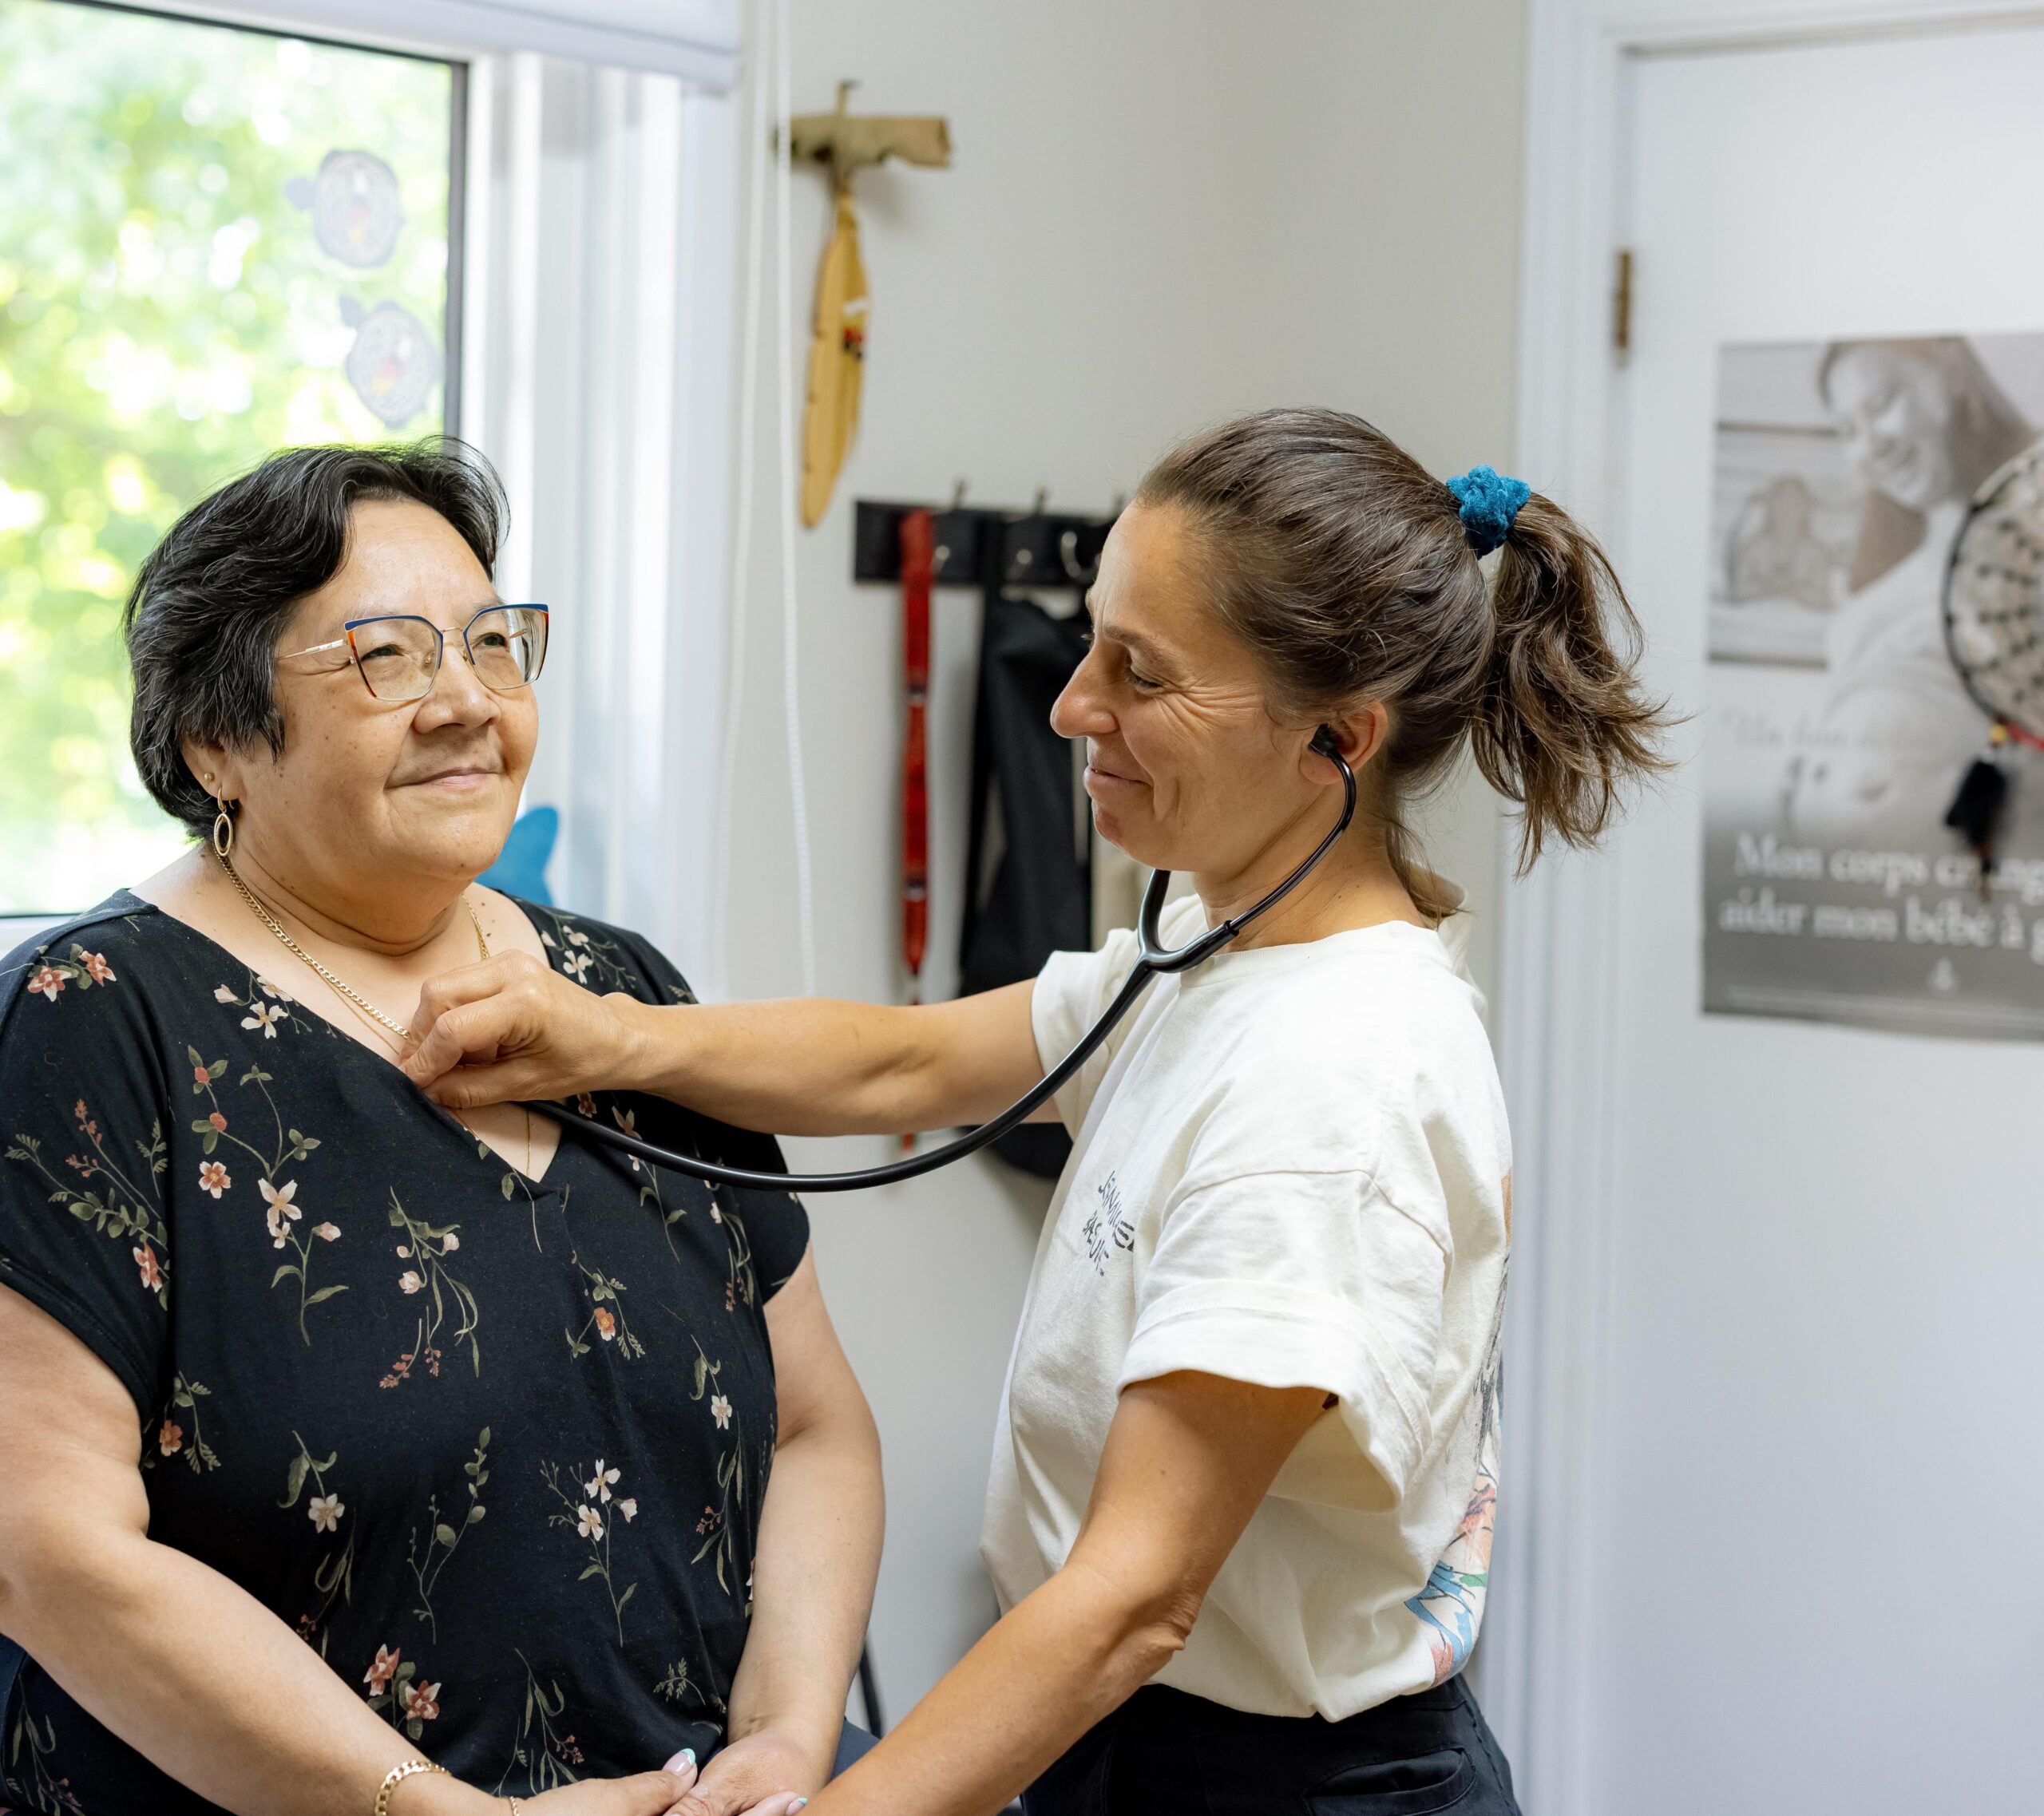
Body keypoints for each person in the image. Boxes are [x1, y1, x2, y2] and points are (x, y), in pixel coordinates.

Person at [403, 407, 1670, 1816]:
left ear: (1339, 739)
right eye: (1091, 641)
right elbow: (906, 1066)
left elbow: (1134, 1599)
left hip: (1272, 1782)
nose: (1073, 705)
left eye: (1141, 673)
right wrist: (608, 1034)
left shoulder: (1333, 1085)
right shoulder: (1219, 943)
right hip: (1129, 1748)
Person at [0, 444, 883, 1816]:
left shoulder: (622, 993)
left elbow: (818, 1426)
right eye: (386, 658)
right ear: (215, 739)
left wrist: (782, 1739)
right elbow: (44, 1550)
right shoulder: (93, 1022)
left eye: (491, 643)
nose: (468, 701)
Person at [1785, 338, 2036, 847]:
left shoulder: (2028, 561)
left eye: (1881, 405)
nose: (1871, 444)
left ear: (1950, 380)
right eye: (1848, 430)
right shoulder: (1863, 614)